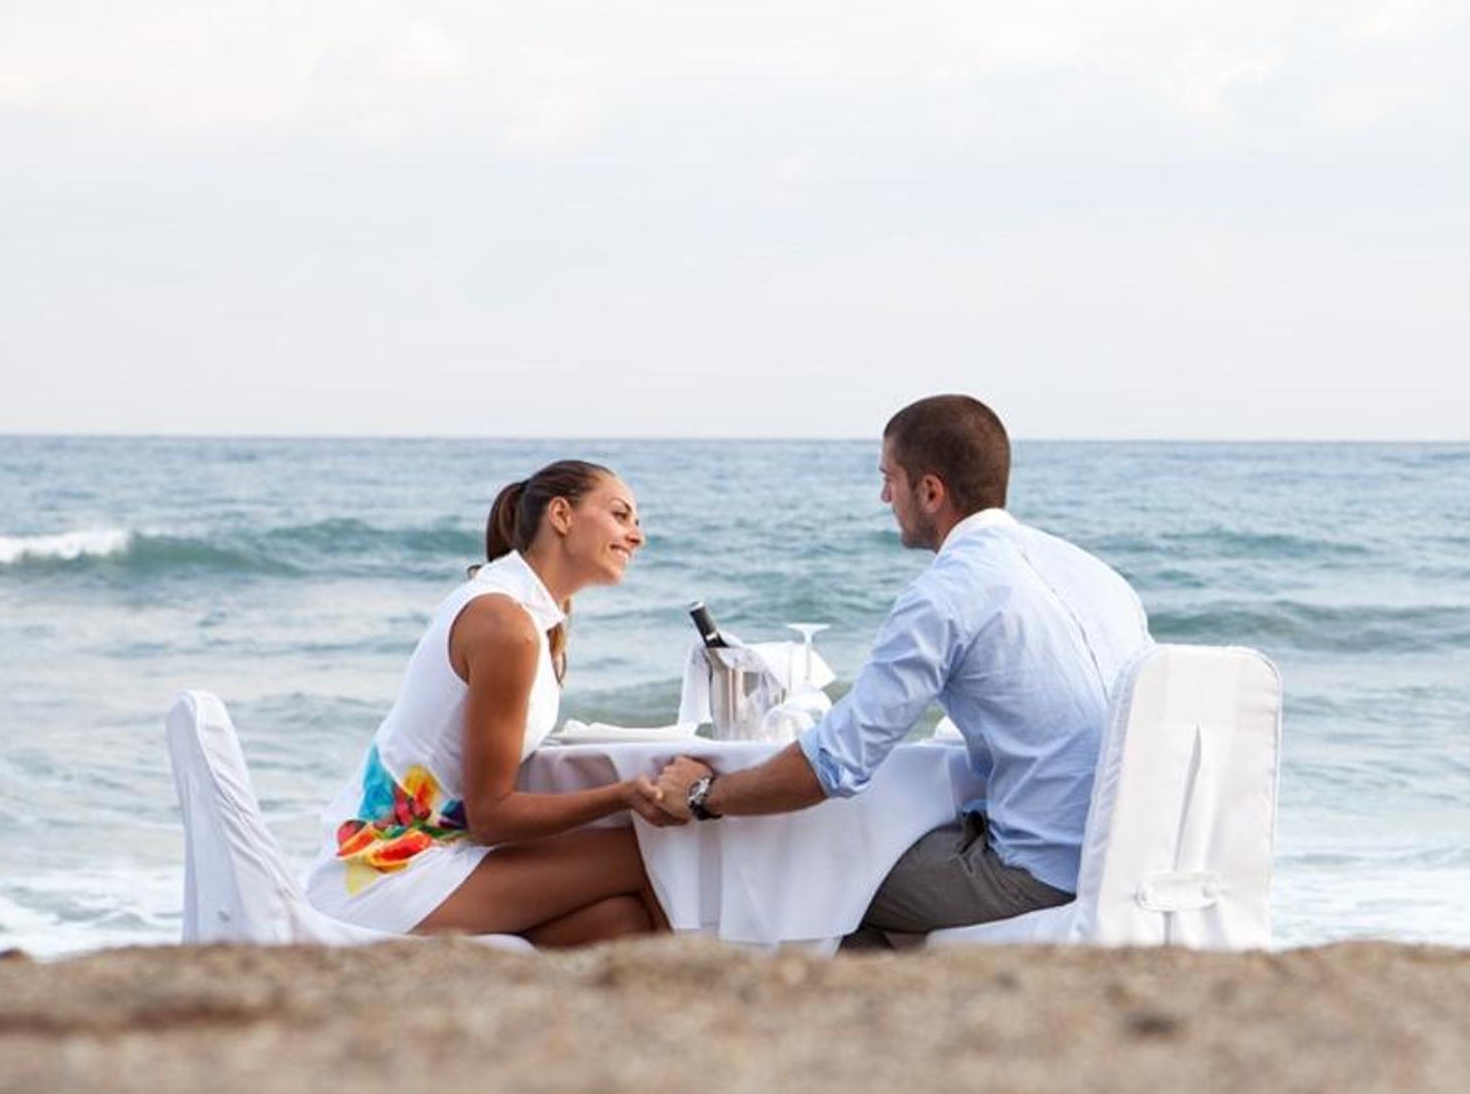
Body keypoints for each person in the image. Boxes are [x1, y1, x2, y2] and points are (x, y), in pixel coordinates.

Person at [650, 395, 1149, 941]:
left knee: (809, 879)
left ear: (930, 491)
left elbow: (834, 765)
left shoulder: (945, 596)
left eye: (889, 479)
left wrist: (704, 795)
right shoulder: (1099, 576)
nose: (884, 496)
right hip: (1132, 861)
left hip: (1040, 876)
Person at [302, 460, 680, 947]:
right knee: (647, 854)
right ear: (561, 515)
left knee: (618, 922)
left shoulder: (521, 611)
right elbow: (492, 816)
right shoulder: (504, 623)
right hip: (385, 868)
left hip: (433, 851)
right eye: (620, 515)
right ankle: (703, 991)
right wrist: (622, 795)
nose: (637, 536)